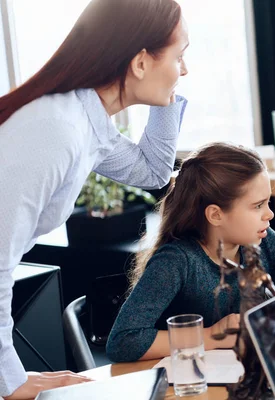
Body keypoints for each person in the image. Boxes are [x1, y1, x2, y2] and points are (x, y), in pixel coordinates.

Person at [0, 0, 190, 398]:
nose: (184, 70)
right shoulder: (57, 129)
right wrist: (10, 380)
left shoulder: (88, 122)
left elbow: (153, 171)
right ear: (140, 63)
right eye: (179, 57)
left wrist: (169, 95)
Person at [106, 143, 275, 362]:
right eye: (258, 206)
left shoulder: (264, 240)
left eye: (268, 202)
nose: (269, 214)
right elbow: (123, 341)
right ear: (215, 215)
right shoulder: (177, 261)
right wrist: (212, 336)